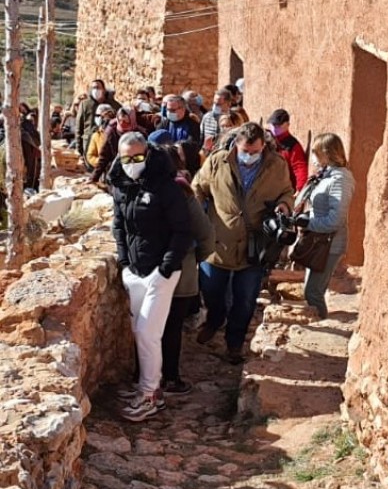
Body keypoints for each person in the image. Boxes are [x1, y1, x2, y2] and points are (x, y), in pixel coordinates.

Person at [192, 122, 294, 364]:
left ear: (263, 147)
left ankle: (234, 343)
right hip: (217, 242)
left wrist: (284, 206)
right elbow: (199, 187)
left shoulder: (276, 166)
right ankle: (215, 319)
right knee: (211, 290)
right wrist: (198, 219)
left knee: (245, 299)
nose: (249, 156)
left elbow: (287, 192)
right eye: (245, 151)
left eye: (255, 151)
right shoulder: (218, 161)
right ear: (235, 145)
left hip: (254, 247)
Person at [109, 131, 192, 421]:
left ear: (148, 154)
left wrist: (167, 266)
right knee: (140, 333)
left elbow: (184, 230)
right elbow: (119, 225)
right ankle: (148, 389)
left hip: (160, 272)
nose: (132, 162)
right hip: (134, 270)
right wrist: (123, 262)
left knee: (148, 333)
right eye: (126, 157)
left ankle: (149, 395)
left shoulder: (166, 187)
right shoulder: (120, 183)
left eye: (138, 157)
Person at [155, 143, 214, 396]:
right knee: (171, 327)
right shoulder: (184, 192)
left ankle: (145, 376)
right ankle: (170, 377)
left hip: (150, 269)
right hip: (181, 270)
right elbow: (206, 235)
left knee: (150, 326)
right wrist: (194, 260)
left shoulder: (143, 189)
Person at [293, 133, 355, 319]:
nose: (313, 157)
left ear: (326, 154)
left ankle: (321, 324)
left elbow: (335, 219)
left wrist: (308, 222)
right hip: (317, 240)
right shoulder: (325, 175)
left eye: (316, 153)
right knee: (309, 290)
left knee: (313, 292)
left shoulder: (340, 179)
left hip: (329, 243)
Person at [76, 78, 121, 163]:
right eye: (93, 88)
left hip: (106, 141)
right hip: (89, 143)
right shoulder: (85, 105)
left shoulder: (114, 105)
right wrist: (79, 149)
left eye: (97, 87)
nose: (95, 90)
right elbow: (79, 127)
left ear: (103, 89)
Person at [92, 107, 142, 184]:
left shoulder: (140, 134)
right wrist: (94, 177)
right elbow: (104, 156)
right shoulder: (111, 132)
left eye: (125, 121)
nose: (122, 123)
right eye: (120, 120)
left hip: (136, 171)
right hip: (116, 173)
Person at [267, 109, 309, 191]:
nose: (275, 127)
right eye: (273, 124)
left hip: (284, 190)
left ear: (287, 125)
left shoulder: (293, 145)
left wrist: (299, 190)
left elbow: (299, 168)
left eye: (278, 125)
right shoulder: (267, 139)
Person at [200, 87, 233, 154]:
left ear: (228, 104)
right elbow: (201, 138)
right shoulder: (207, 117)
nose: (215, 106)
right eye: (214, 103)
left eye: (218, 104)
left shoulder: (234, 118)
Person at [85, 103, 117, 169]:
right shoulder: (96, 135)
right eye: (98, 116)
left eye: (105, 117)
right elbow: (90, 156)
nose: (101, 119)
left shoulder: (119, 132)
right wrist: (101, 162)